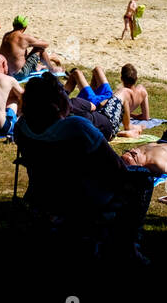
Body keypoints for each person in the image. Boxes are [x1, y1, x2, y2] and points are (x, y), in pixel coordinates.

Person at [12, 74, 154, 261]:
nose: (67, 94)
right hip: (81, 197)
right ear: (55, 103)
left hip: (44, 194)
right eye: (63, 92)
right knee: (143, 176)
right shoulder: (77, 127)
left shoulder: (21, 127)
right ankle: (127, 246)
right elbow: (118, 169)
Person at [0, 16, 62, 80]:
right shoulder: (24, 38)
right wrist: (37, 40)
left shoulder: (6, 35)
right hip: (19, 75)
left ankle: (38, 66)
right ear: (25, 27)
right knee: (40, 49)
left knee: (23, 51)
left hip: (6, 72)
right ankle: (52, 69)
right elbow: (45, 45)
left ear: (13, 25)